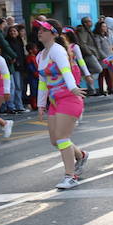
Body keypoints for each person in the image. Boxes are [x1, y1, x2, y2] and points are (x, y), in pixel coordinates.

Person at [34, 20, 89, 190]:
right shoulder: (40, 55)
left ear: (54, 33)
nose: (39, 32)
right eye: (39, 29)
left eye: (44, 29)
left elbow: (66, 70)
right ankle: (81, 155)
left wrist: (73, 88)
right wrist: (41, 104)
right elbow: (43, 81)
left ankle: (70, 176)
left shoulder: (58, 50)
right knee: (55, 140)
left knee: (62, 138)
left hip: (69, 98)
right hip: (54, 101)